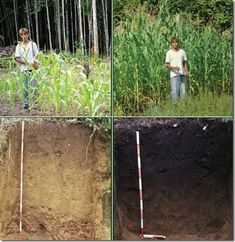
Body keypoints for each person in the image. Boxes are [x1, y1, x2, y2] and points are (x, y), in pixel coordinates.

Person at [15, 28, 39, 109]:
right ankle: (26, 104)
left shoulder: (33, 44)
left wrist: (36, 65)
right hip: (24, 69)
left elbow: (37, 56)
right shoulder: (19, 46)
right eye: (22, 35)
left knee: (33, 87)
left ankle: (35, 103)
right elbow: (17, 58)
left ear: (28, 34)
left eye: (25, 34)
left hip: (33, 69)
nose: (24, 36)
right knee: (25, 87)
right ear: (20, 36)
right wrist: (28, 63)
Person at [165, 37, 188, 102]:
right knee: (175, 92)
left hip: (182, 74)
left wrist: (186, 70)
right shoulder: (169, 53)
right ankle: (175, 107)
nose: (175, 44)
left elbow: (185, 62)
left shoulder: (182, 51)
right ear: (171, 44)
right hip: (174, 75)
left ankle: (182, 107)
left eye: (176, 42)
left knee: (183, 92)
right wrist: (174, 68)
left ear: (178, 43)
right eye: (173, 42)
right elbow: (166, 64)